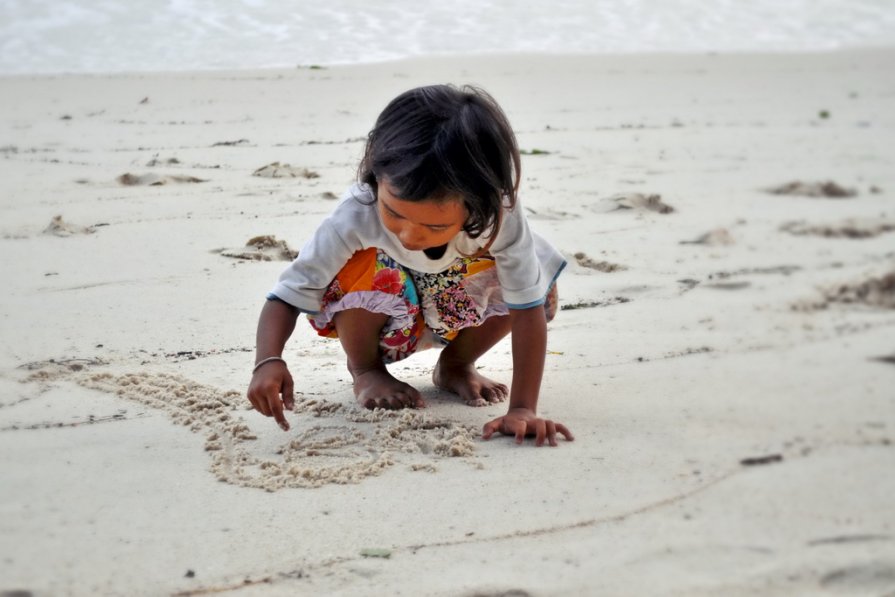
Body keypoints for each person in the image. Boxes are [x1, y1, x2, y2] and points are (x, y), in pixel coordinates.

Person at [247, 84, 573, 447]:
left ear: (479, 205)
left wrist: (523, 408)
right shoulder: (357, 212)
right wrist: (267, 361)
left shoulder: (500, 218)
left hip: (458, 310)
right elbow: (287, 295)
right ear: (375, 176)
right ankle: (366, 370)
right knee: (366, 263)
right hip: (385, 321)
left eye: (435, 226)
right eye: (393, 213)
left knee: (536, 283)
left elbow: (526, 309)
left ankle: (456, 365)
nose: (408, 235)